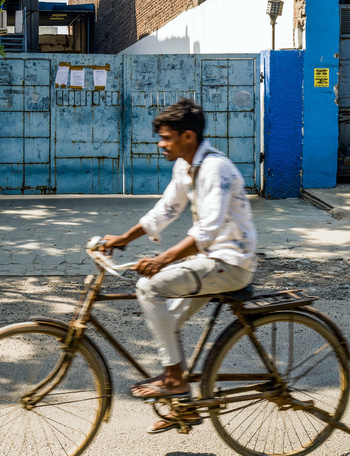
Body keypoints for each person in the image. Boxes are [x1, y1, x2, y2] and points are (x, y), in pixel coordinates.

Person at [101, 98, 257, 434]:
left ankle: (174, 379)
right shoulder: (185, 167)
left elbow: (209, 229)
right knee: (166, 322)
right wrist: (124, 238)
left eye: (167, 137)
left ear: (188, 136)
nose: (161, 144)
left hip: (230, 262)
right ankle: (184, 406)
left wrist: (163, 259)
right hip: (210, 260)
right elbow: (166, 210)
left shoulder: (216, 168)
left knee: (149, 286)